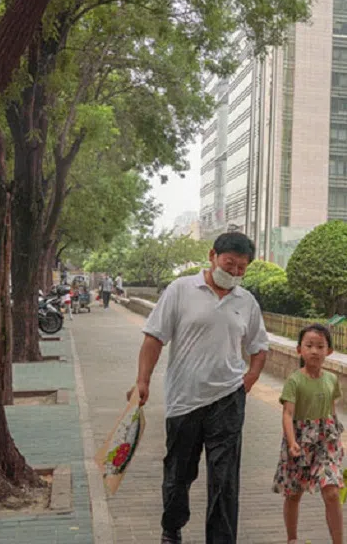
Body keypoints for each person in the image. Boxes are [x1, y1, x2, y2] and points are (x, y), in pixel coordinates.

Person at [132, 232, 269, 544]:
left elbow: (259, 347)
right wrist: (142, 380)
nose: (234, 272)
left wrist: (250, 379)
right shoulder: (181, 290)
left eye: (241, 268)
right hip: (185, 400)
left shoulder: (246, 302)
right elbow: (154, 338)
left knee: (225, 480)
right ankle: (171, 529)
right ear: (212, 256)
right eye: (229, 263)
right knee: (179, 474)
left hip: (228, 400)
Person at [272, 324, 345, 544]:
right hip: (300, 440)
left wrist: (337, 440)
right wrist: (292, 441)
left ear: (329, 351)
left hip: (326, 441)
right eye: (309, 345)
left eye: (320, 346)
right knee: (294, 493)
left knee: (331, 491)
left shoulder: (332, 380)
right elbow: (287, 413)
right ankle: (292, 539)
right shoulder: (295, 380)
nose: (314, 351)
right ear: (299, 350)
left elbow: (332, 411)